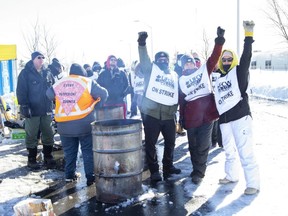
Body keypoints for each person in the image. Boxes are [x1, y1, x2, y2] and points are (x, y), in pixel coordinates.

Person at [214, 21, 260, 195]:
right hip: (225, 120)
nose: (226, 61)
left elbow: (246, 57)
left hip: (240, 118)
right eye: (223, 59)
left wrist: (248, 37)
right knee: (229, 151)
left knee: (245, 152)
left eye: (229, 58)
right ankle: (231, 175)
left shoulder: (238, 72)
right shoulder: (218, 77)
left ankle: (253, 184)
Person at [46, 63, 108, 186]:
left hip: (64, 125)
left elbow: (48, 94)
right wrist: (97, 104)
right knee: (87, 151)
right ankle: (90, 177)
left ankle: (69, 175)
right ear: (83, 72)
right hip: (84, 123)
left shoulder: (59, 83)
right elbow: (104, 93)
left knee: (69, 152)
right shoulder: (87, 82)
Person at [178, 26, 225, 184]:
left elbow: (214, 57)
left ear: (194, 64)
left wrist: (219, 41)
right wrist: (181, 119)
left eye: (191, 63)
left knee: (203, 145)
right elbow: (181, 102)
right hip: (191, 118)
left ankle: (199, 172)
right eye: (186, 64)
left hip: (207, 115)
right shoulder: (181, 80)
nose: (189, 65)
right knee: (193, 146)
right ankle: (195, 168)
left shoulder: (203, 70)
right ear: (183, 66)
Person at [137, 31, 181, 181]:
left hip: (169, 116)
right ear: (156, 61)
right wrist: (142, 44)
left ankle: (168, 166)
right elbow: (144, 60)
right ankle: (154, 170)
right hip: (152, 115)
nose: (162, 60)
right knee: (151, 144)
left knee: (170, 143)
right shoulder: (151, 71)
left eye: (165, 58)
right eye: (159, 58)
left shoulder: (174, 75)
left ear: (168, 61)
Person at [16, 51, 56, 170]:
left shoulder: (48, 73)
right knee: (32, 134)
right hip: (32, 110)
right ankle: (32, 158)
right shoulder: (25, 73)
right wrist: (24, 106)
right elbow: (21, 91)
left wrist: (55, 102)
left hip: (46, 109)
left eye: (43, 58)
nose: (41, 60)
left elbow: (54, 88)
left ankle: (48, 156)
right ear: (33, 59)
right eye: (39, 58)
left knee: (49, 133)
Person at [211, 65, 223, 148]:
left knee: (221, 123)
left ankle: (221, 141)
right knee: (213, 123)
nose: (215, 65)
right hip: (211, 101)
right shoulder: (208, 72)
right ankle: (213, 141)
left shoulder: (222, 72)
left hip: (221, 100)